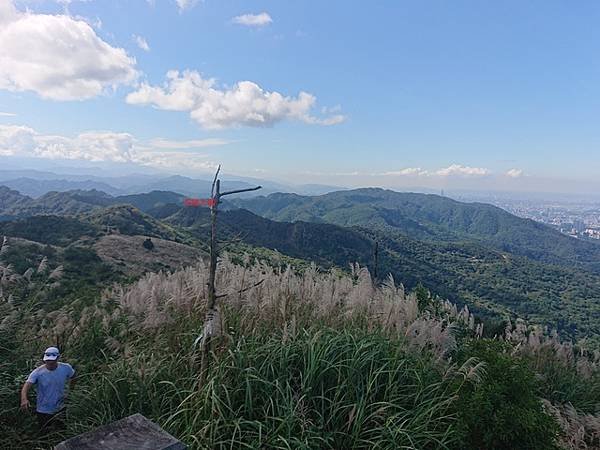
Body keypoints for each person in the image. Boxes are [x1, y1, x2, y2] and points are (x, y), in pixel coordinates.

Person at [20, 346, 76, 432]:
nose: (50, 363)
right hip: (43, 408)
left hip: (60, 407)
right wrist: (24, 399)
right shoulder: (38, 372)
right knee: (44, 432)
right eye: (48, 361)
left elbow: (73, 377)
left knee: (61, 431)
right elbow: (26, 386)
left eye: (52, 361)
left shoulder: (65, 368)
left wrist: (70, 392)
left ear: (58, 358)